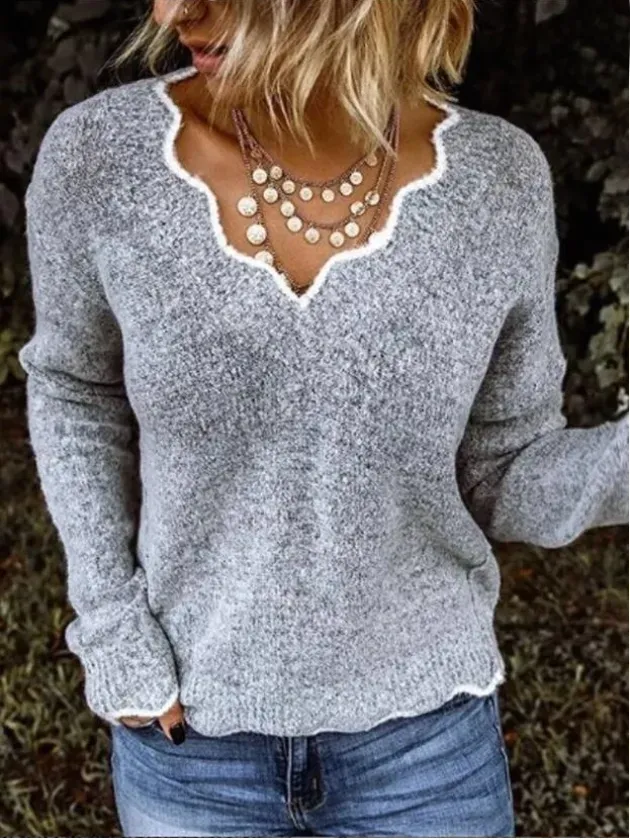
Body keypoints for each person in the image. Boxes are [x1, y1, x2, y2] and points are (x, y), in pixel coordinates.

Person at [19, 0, 628, 836]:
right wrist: (113, 630)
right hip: (194, 753)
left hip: (425, 755)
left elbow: (502, 470)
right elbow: (75, 391)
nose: (173, 11)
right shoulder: (101, 158)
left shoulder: (498, 183)